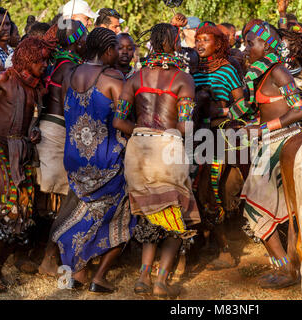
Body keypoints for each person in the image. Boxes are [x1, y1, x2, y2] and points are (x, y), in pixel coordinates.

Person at [113, 23, 200, 299]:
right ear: (175, 43)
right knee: (176, 215)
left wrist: (142, 133)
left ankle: (142, 276)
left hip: (138, 151)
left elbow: (118, 121)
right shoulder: (183, 80)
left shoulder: (135, 78)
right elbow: (186, 127)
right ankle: (161, 280)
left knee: (149, 214)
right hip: (168, 149)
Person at [51, 27, 137, 294]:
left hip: (75, 158)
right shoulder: (114, 79)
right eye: (115, 48)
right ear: (108, 50)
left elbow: (69, 111)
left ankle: (74, 273)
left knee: (83, 213)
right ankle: (97, 276)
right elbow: (123, 120)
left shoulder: (71, 74)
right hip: (106, 160)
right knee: (125, 217)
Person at [231, 20, 302, 289]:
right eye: (246, 42)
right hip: (269, 141)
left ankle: (286, 268)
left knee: (253, 206)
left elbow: (299, 111)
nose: (246, 48)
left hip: (283, 141)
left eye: (251, 43)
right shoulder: (260, 73)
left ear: (266, 45)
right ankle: (287, 267)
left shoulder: (278, 73)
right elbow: (247, 108)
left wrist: (262, 129)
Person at [0, 36, 53, 293]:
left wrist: (34, 131)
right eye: (41, 61)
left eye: (47, 61)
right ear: (28, 59)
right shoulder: (4, 78)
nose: (45, 65)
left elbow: (31, 120)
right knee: (9, 207)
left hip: (22, 152)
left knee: (23, 210)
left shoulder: (37, 88)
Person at [37, 20, 88, 277]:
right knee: (67, 199)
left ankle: (48, 256)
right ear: (78, 41)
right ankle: (49, 257)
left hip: (46, 128)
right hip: (58, 132)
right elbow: (73, 110)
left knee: (56, 200)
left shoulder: (54, 63)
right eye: (85, 38)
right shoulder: (69, 69)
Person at [192, 24, 245, 270]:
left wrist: (221, 110)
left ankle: (225, 250)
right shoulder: (192, 71)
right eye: (197, 40)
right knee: (197, 192)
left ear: (218, 43)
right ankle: (203, 243)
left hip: (219, 136)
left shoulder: (227, 69)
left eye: (205, 40)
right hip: (194, 136)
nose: (200, 44)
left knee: (211, 190)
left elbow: (244, 103)